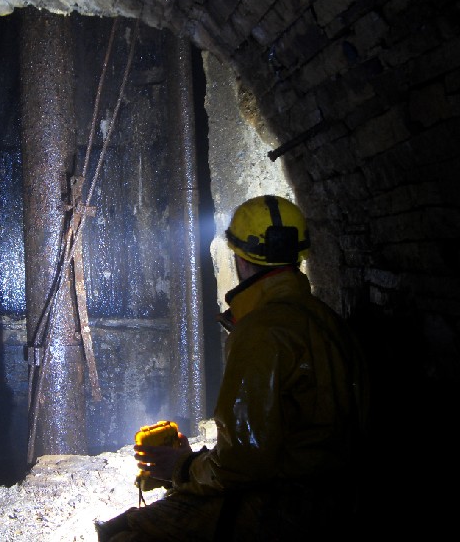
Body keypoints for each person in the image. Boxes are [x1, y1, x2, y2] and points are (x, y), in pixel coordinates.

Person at [96, 195, 369, 541]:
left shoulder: (261, 331)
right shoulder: (329, 321)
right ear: (299, 255)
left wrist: (180, 467)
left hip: (283, 508)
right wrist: (196, 462)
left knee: (123, 531)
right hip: (339, 500)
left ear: (241, 258)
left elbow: (243, 462)